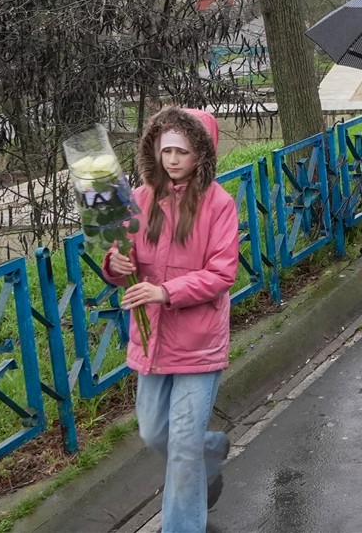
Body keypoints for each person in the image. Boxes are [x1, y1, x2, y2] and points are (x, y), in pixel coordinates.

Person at [104, 107, 238, 533]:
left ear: (202, 153)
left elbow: (222, 274)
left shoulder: (219, 204)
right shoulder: (139, 199)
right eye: (166, 151)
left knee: (181, 448)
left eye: (183, 151)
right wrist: (115, 264)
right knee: (153, 433)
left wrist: (165, 292)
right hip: (152, 338)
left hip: (199, 341)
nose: (174, 160)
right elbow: (119, 260)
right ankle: (209, 449)